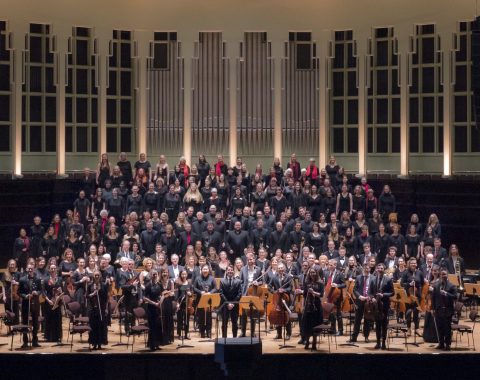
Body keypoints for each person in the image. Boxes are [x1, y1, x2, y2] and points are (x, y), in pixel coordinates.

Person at [369, 262, 394, 349]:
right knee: (377, 324)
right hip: (376, 305)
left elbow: (392, 292)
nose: (380, 270)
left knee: (384, 324)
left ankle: (383, 343)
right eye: (378, 268)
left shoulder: (388, 279)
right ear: (376, 269)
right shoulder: (373, 279)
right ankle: (378, 342)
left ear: (384, 270)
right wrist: (372, 298)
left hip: (384, 305)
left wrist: (384, 295)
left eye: (381, 268)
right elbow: (370, 292)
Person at [431, 268, 457, 350]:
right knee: (440, 328)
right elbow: (433, 298)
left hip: (448, 310)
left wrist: (446, 293)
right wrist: (433, 308)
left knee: (447, 329)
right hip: (438, 310)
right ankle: (441, 343)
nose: (443, 276)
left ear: (447, 275)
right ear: (440, 275)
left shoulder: (452, 286)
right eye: (442, 274)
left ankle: (448, 345)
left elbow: (455, 297)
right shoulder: (436, 285)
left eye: (445, 274)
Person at [19, 263, 42, 348]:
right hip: (25, 303)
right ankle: (25, 342)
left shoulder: (38, 279)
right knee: (25, 321)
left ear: (34, 269)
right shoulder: (22, 280)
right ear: (26, 269)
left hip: (35, 303)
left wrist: (37, 292)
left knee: (35, 322)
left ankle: (35, 341)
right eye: (28, 269)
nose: (30, 270)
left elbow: (40, 290)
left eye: (31, 269)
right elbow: (19, 292)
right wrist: (25, 296)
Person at [268, 262, 293, 340]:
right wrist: (274, 292)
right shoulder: (274, 277)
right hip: (277, 299)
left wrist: (284, 290)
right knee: (278, 315)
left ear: (284, 269)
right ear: (277, 269)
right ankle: (279, 334)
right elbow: (269, 286)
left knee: (286, 316)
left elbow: (290, 288)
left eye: (282, 268)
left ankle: (288, 333)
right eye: (279, 268)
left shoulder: (288, 277)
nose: (280, 270)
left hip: (286, 299)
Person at [348, 264, 372, 343]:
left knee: (367, 320)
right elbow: (355, 290)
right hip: (360, 301)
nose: (366, 269)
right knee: (357, 320)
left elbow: (374, 290)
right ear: (363, 269)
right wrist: (359, 296)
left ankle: (366, 337)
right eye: (365, 268)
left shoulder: (373, 278)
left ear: (370, 268)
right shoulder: (358, 277)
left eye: (368, 268)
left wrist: (370, 297)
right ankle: (354, 337)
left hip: (369, 302)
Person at [401, 257, 424, 336]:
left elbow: (422, 283)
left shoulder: (419, 273)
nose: (413, 264)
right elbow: (401, 284)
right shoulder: (405, 273)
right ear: (409, 264)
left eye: (414, 263)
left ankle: (417, 329)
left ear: (416, 264)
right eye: (412, 263)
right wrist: (409, 284)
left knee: (416, 313)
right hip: (408, 296)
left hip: (417, 296)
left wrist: (419, 291)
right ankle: (408, 329)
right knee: (408, 312)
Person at [193, 264, 217, 338]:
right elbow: (194, 288)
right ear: (201, 270)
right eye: (204, 269)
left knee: (208, 316)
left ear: (209, 270)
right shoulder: (197, 278)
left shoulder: (212, 278)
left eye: (206, 269)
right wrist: (200, 292)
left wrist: (210, 292)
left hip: (209, 300)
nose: (205, 271)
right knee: (201, 316)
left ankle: (209, 331)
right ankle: (202, 331)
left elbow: (215, 288)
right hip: (200, 299)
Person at [302, 268, 324, 350]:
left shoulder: (320, 283)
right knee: (307, 325)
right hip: (308, 305)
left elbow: (321, 295)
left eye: (313, 272)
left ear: (316, 273)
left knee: (315, 325)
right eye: (311, 272)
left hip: (317, 306)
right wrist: (303, 306)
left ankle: (314, 343)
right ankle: (307, 342)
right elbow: (304, 295)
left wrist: (313, 292)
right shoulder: (306, 282)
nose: (312, 274)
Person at [323, 259, 346, 335]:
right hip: (329, 295)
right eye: (329, 264)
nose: (329, 266)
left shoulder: (340, 273)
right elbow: (326, 284)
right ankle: (332, 329)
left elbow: (344, 284)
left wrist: (337, 285)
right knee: (331, 313)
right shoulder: (326, 273)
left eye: (331, 265)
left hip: (337, 296)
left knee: (338, 314)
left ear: (335, 265)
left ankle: (340, 330)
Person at [219, 265, 242, 338]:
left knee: (235, 323)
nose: (230, 271)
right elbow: (221, 293)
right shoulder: (222, 281)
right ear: (226, 271)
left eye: (231, 270)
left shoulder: (238, 281)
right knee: (224, 323)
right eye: (228, 270)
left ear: (233, 271)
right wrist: (227, 303)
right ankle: (224, 339)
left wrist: (233, 303)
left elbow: (239, 293)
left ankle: (234, 338)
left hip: (235, 305)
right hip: (224, 305)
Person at [87, 271, 108, 350]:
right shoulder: (90, 285)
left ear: (100, 276)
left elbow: (106, 298)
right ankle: (94, 343)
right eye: (95, 275)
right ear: (93, 276)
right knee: (93, 327)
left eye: (98, 275)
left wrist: (106, 308)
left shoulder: (104, 285)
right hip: (93, 309)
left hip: (101, 309)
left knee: (101, 326)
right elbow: (86, 296)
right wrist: (93, 294)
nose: (96, 276)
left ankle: (100, 343)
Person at [1, 259, 21, 328]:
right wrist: (4, 296)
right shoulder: (6, 273)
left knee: (16, 311)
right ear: (8, 265)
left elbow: (21, 283)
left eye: (13, 264)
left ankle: (15, 328)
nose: (12, 265)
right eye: (11, 264)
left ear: (15, 265)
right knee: (8, 312)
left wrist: (16, 282)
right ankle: (9, 328)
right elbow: (3, 286)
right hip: (7, 295)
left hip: (15, 295)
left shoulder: (18, 273)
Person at [175, 270, 193, 339]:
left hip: (188, 304)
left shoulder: (189, 283)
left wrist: (190, 294)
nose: (184, 275)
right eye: (182, 274)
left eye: (185, 274)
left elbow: (192, 293)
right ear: (180, 274)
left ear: (187, 275)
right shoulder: (178, 283)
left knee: (187, 319)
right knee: (180, 319)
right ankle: (179, 334)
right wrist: (177, 303)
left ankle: (186, 333)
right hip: (180, 303)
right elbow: (176, 295)